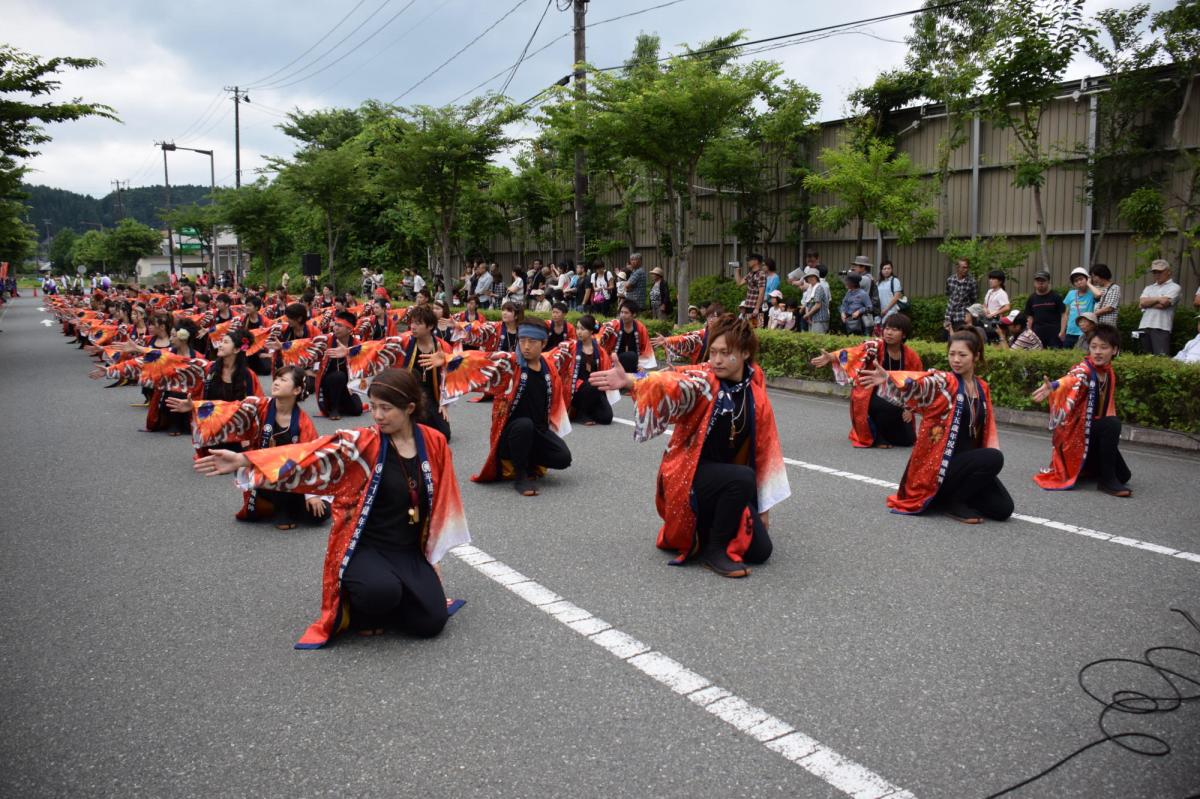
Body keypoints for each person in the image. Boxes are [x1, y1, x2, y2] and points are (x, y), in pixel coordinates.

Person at [194, 367, 470, 646]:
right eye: (373, 406)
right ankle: (366, 603)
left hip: (407, 548)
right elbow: (311, 453)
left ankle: (396, 597)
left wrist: (432, 556)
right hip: (366, 545)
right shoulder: (365, 442)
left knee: (431, 623)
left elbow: (441, 497)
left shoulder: (433, 442)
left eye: (386, 408)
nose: (377, 415)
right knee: (380, 593)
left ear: (409, 407)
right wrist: (246, 460)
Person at [588, 315, 789, 578]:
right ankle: (714, 552)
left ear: (745, 353)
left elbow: (764, 451)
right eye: (713, 352)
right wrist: (630, 380)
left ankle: (707, 529)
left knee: (762, 551)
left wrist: (763, 509)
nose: (716, 360)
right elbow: (669, 379)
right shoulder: (704, 380)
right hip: (690, 474)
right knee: (742, 477)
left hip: (726, 483)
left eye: (724, 353)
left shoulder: (755, 391)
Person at [857, 328, 1014, 524]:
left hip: (966, 466)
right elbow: (921, 383)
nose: (956, 359)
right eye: (952, 354)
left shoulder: (982, 388)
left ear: (976, 356)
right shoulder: (945, 382)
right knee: (994, 457)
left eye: (962, 355)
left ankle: (951, 496)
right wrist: (889, 378)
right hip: (939, 467)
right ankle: (953, 502)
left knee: (1003, 509)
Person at [422, 322, 573, 497]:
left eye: (532, 341)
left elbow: (569, 348)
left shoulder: (549, 366)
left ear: (544, 343)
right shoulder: (510, 364)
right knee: (524, 425)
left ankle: (528, 460)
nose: (526, 346)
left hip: (537, 431)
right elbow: (480, 359)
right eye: (522, 340)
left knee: (563, 458)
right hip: (510, 434)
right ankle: (520, 476)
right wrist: (448, 359)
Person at [190, 366, 328, 528]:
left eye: (283, 380)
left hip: (293, 479)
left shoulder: (303, 423)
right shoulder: (260, 406)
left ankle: (287, 507)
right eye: (276, 378)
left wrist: (311, 495)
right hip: (263, 475)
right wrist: (195, 406)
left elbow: (312, 458)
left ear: (297, 390)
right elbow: (231, 409)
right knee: (278, 467)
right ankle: (283, 511)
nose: (276, 382)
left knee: (321, 513)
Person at [1029, 324, 1132, 497]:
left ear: (1114, 350)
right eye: (1093, 347)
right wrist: (1054, 386)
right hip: (1077, 433)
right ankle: (1106, 482)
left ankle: (1089, 467)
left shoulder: (1109, 373)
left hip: (1093, 432)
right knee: (1111, 424)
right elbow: (1071, 379)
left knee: (1124, 475)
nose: (1097, 352)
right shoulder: (1085, 370)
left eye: (1103, 347)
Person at [810, 313, 923, 448]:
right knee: (888, 407)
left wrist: (910, 408)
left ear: (904, 334)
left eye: (895, 329)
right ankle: (876, 436)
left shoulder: (911, 356)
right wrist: (832, 357)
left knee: (907, 440)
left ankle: (887, 433)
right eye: (887, 328)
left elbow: (917, 384)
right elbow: (853, 353)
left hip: (898, 397)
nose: (889, 333)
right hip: (869, 391)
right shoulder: (874, 347)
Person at [559, 315, 619, 426]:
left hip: (595, 389)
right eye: (577, 328)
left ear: (591, 331)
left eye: (583, 329)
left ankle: (588, 410)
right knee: (592, 383)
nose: (579, 332)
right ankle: (580, 413)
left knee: (606, 418)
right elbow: (555, 360)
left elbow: (607, 370)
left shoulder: (599, 351)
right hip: (576, 390)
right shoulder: (571, 347)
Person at [315, 311, 364, 420]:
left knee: (357, 410)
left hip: (348, 385)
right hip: (329, 383)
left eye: (339, 326)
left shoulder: (356, 344)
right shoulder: (326, 340)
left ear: (349, 330)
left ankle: (341, 402)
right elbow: (308, 346)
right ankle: (334, 408)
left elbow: (363, 365)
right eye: (335, 324)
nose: (335, 328)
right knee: (338, 376)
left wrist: (348, 353)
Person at [1136, 259, 1181, 355]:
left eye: (1160, 272)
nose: (1157, 274)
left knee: (1161, 358)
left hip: (1161, 326)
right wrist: (1158, 299)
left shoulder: (1174, 287)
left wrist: (1149, 302)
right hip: (1144, 325)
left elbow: (1164, 304)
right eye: (1154, 272)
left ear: (1168, 272)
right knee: (1144, 358)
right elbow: (1141, 303)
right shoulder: (1149, 287)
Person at [600, 300, 657, 373]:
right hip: (614, 361)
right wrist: (604, 335)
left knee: (631, 356)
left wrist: (641, 365)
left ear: (634, 314)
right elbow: (601, 340)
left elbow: (645, 348)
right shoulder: (614, 325)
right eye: (621, 312)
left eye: (626, 313)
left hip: (634, 362)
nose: (623, 315)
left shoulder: (640, 328)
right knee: (630, 356)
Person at [1024, 270, 1065, 349]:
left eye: (1043, 281)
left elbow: (1064, 315)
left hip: (1054, 334)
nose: (1040, 283)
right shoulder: (1031, 298)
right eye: (1038, 281)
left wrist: (1062, 331)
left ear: (1048, 282)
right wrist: (1029, 332)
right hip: (1037, 334)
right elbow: (1030, 317)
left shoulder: (1056, 297)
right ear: (1034, 283)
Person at [1061, 267, 1096, 349]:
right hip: (1071, 331)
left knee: (1084, 356)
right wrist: (1062, 331)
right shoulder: (1071, 293)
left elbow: (1099, 295)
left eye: (1081, 279)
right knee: (1066, 355)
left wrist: (1089, 284)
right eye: (1076, 281)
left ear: (1087, 279)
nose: (1079, 282)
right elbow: (1065, 314)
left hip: (1086, 332)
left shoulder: (1092, 293)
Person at [943, 258, 978, 335]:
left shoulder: (972, 282)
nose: (965, 269)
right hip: (950, 314)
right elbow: (949, 294)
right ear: (957, 268)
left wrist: (970, 315)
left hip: (963, 315)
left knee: (960, 337)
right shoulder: (950, 280)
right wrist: (947, 317)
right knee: (946, 338)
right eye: (963, 267)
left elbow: (974, 300)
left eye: (967, 267)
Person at [734, 254, 767, 326]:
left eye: (749, 260)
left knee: (756, 329)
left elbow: (762, 292)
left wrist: (757, 308)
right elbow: (739, 283)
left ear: (756, 261)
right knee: (748, 330)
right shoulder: (750, 273)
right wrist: (737, 270)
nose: (748, 262)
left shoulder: (761, 274)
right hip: (748, 306)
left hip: (755, 307)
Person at [800, 268, 830, 333]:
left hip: (820, 319)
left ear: (816, 277)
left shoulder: (819, 288)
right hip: (812, 319)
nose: (810, 278)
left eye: (812, 276)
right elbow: (808, 303)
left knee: (818, 340)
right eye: (809, 277)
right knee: (813, 339)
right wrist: (808, 316)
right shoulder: (810, 288)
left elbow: (817, 306)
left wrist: (807, 315)